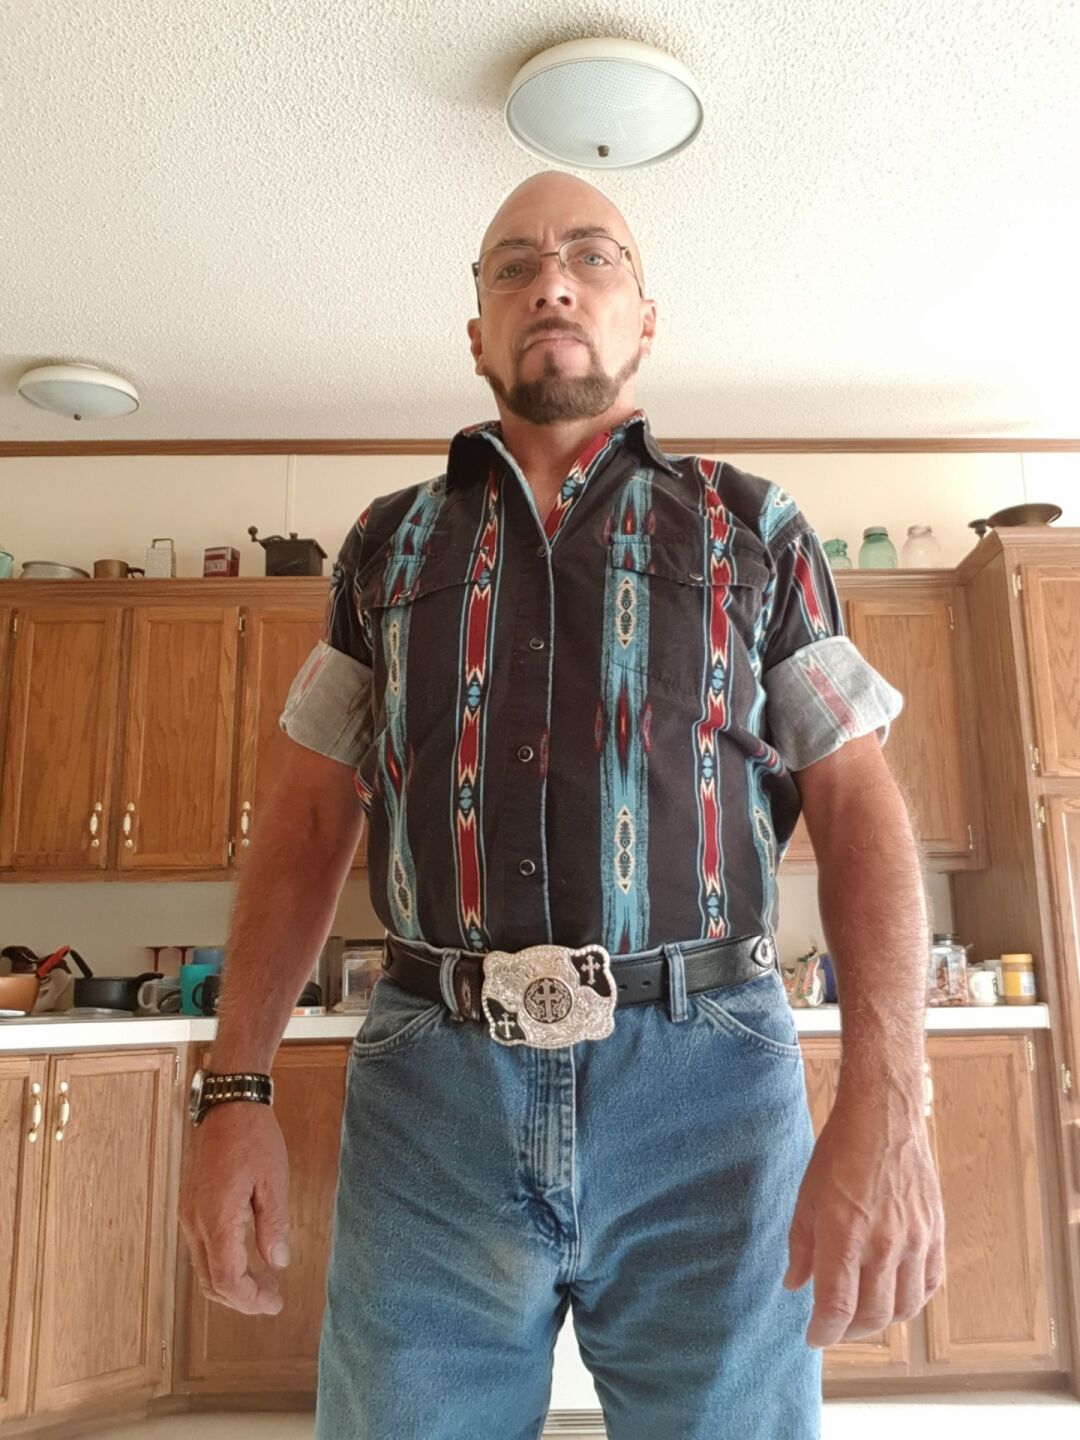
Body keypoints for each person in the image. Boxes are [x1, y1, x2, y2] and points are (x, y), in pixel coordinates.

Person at [179, 170, 945, 1440]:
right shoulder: (381, 547)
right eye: (515, 265)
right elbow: (309, 818)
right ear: (477, 331)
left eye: (593, 257)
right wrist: (232, 1091)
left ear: (644, 318)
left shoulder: (756, 526)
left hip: (711, 1095)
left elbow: (859, 802)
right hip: (431, 1104)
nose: (553, 282)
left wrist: (890, 1097)